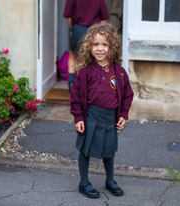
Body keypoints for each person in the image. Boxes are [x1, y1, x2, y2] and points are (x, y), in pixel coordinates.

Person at [70, 22, 134, 198]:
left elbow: (128, 94)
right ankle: (84, 182)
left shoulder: (119, 72)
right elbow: (75, 96)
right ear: (89, 47)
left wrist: (123, 115)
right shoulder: (85, 72)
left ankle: (110, 181)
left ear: (111, 47)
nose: (100, 49)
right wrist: (79, 118)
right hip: (91, 116)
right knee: (85, 149)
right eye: (95, 44)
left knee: (109, 150)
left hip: (110, 118)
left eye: (104, 44)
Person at [63, 0, 109, 91]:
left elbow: (67, 16)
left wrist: (73, 27)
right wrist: (99, 30)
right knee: (93, 58)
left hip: (78, 29)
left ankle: (72, 83)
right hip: (94, 31)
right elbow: (104, 18)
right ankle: (91, 85)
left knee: (73, 55)